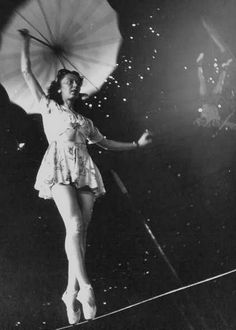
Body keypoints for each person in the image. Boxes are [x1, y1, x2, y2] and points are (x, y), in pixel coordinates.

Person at [19, 29, 152, 325]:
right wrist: (26, 42)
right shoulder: (49, 107)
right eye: (70, 83)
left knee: (80, 235)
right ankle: (86, 287)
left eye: (77, 83)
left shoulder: (87, 122)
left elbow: (105, 143)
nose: (75, 86)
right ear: (60, 88)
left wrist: (136, 145)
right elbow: (26, 72)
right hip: (58, 165)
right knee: (75, 224)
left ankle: (70, 291)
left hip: (84, 170)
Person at [195, 52, 232, 128]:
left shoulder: (205, 123)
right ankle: (224, 68)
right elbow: (226, 124)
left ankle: (199, 65)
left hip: (205, 100)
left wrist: (199, 121)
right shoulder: (216, 123)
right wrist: (232, 125)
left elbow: (198, 120)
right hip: (214, 101)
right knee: (220, 83)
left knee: (202, 82)